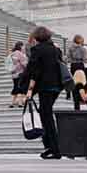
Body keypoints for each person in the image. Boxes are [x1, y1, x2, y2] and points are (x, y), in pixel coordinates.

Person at [24, 25, 64, 159]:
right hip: (56, 87)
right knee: (44, 114)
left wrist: (29, 90)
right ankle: (50, 147)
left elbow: (34, 72)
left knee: (46, 117)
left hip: (45, 87)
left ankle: (54, 149)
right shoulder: (56, 49)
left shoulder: (38, 50)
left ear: (37, 37)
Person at [9, 41, 29, 108]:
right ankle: (20, 103)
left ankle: (12, 102)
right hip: (20, 73)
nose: (24, 47)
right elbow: (24, 64)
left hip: (14, 74)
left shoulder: (12, 54)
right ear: (20, 46)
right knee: (20, 87)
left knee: (15, 87)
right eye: (23, 46)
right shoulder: (20, 54)